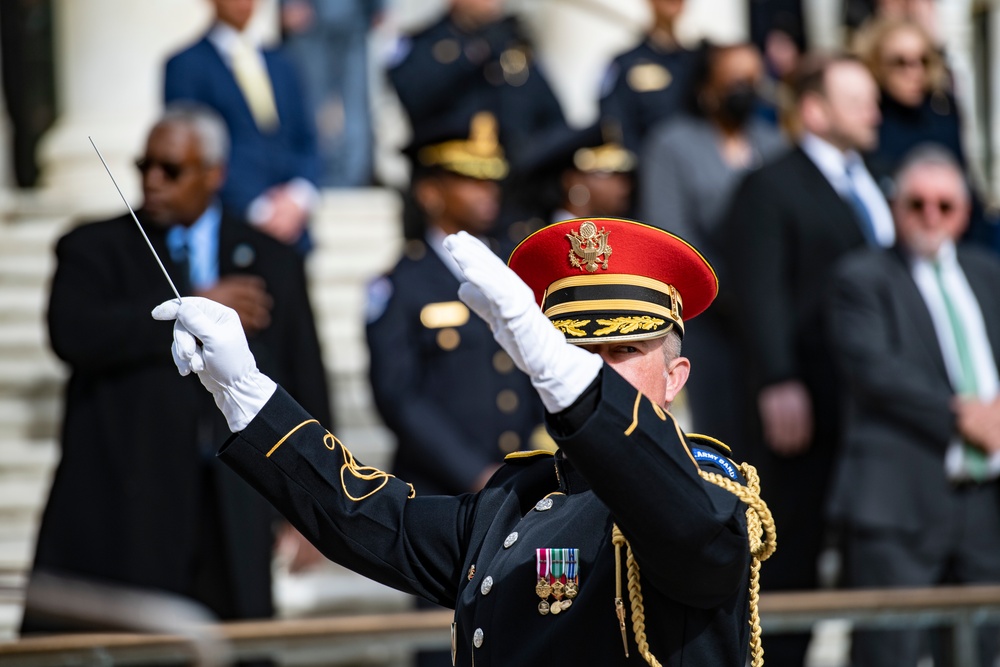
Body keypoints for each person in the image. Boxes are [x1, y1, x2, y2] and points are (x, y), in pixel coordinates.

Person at [153, 217, 776, 666]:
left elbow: (687, 530)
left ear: (675, 377)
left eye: (623, 352)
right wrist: (245, 393)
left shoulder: (707, 486)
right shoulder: (522, 496)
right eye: (574, 353)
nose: (596, 370)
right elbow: (374, 519)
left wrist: (576, 386)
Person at [21, 104, 332, 634]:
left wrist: (315, 508)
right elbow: (72, 334)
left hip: (231, 511)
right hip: (124, 506)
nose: (153, 181)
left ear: (215, 174)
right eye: (145, 166)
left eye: (172, 170)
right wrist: (197, 303)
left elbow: (305, 379)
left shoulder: (271, 259)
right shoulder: (93, 248)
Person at [718, 54, 893, 666]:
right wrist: (779, 378)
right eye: (857, 99)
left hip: (871, 410)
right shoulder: (770, 184)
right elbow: (760, 289)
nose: (874, 110)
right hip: (805, 406)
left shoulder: (877, 180)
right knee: (789, 558)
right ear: (814, 110)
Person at [827, 146, 1000, 667]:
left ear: (964, 213)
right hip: (898, 503)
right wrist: (963, 415)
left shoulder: (988, 273)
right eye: (916, 203)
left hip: (984, 506)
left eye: (945, 206)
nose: (930, 215)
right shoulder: (861, 275)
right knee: (889, 653)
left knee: (982, 650)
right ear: (895, 207)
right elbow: (874, 368)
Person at [366, 111, 544, 497]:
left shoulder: (512, 269)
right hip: (438, 493)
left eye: (490, 179)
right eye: (470, 180)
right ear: (430, 194)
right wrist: (474, 473)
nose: (488, 191)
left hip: (517, 484)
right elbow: (399, 397)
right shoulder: (401, 284)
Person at [640, 41, 786, 456]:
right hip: (708, 320)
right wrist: (735, 292)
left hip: (768, 323)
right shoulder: (672, 144)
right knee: (721, 441)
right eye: (735, 80)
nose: (746, 89)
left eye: (753, 80)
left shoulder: (772, 142)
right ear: (707, 87)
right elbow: (671, 235)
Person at [165, 0, 321, 251]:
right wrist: (258, 208)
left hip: (293, 233)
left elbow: (306, 139)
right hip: (231, 230)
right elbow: (195, 151)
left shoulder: (284, 64)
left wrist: (297, 197)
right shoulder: (186, 66)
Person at [280, 0, 384, 187]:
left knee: (354, 105)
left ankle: (353, 176)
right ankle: (314, 173)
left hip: (351, 18)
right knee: (310, 102)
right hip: (313, 20)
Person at [599, 0, 699, 157]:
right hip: (647, 168)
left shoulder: (698, 62)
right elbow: (614, 124)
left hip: (694, 168)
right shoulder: (626, 63)